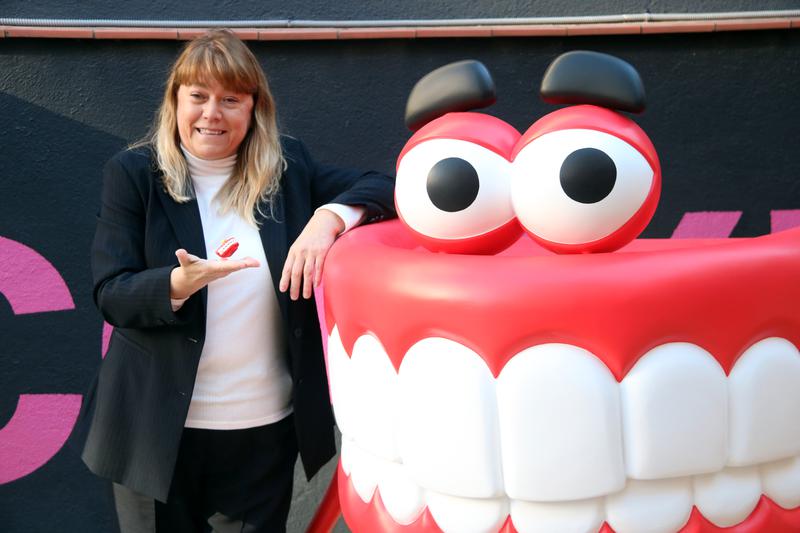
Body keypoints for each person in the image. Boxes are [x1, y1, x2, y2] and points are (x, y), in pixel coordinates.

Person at [71, 29, 395, 532]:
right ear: (175, 101)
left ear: (253, 108)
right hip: (154, 435)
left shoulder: (286, 170)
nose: (211, 114)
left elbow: (387, 184)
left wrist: (327, 219)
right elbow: (112, 293)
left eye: (230, 100)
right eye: (197, 96)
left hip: (261, 434)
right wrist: (178, 284)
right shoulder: (134, 174)